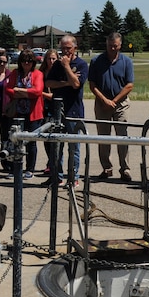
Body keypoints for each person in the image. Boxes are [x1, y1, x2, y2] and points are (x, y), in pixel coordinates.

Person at [88, 32, 134, 182]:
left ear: (120, 45)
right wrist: (104, 100)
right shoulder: (96, 61)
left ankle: (125, 169)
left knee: (122, 135)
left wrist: (113, 101)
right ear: (106, 45)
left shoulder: (126, 61)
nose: (113, 49)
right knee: (103, 137)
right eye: (110, 46)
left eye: (115, 46)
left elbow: (129, 85)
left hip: (120, 103)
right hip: (102, 103)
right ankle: (106, 168)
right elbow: (92, 85)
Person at [45, 35, 88, 186]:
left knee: (73, 147)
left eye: (68, 48)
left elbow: (76, 84)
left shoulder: (81, 64)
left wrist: (68, 67)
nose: (65, 51)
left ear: (75, 48)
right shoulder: (57, 65)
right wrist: (65, 82)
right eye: (62, 48)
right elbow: (49, 82)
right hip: (58, 111)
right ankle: (57, 176)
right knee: (56, 146)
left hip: (73, 111)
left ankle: (73, 177)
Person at [3, 49, 45, 178]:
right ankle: (15, 168)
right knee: (15, 140)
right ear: (20, 62)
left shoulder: (37, 74)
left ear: (33, 62)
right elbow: (8, 89)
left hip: (33, 113)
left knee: (31, 142)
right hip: (18, 112)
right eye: (24, 61)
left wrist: (19, 91)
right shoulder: (16, 73)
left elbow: (37, 91)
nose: (26, 63)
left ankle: (30, 169)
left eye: (29, 61)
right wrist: (27, 92)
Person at [39, 48, 58, 175]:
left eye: (53, 59)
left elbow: (54, 95)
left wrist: (41, 93)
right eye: (49, 58)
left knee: (54, 137)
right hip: (42, 108)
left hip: (54, 108)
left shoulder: (59, 72)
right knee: (45, 136)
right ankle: (49, 162)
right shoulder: (41, 73)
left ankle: (53, 164)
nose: (51, 61)